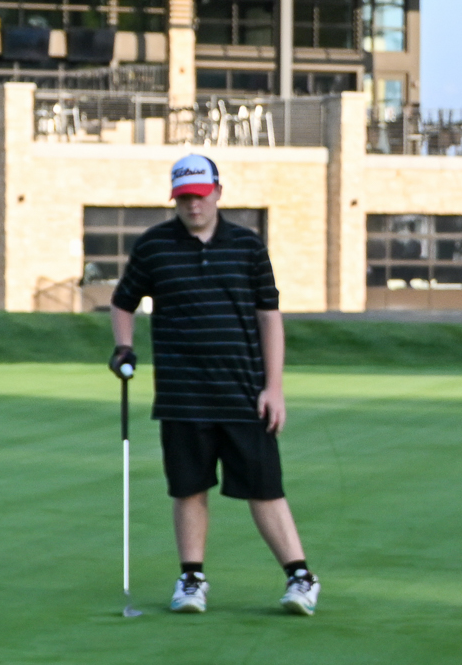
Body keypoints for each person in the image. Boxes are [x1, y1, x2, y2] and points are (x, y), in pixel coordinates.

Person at [109, 153, 320, 616]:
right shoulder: (154, 246)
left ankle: (301, 577)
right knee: (188, 488)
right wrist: (124, 347)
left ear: (218, 193)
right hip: (182, 395)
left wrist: (274, 387)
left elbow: (269, 317)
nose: (193, 205)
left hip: (244, 392)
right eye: (184, 197)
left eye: (201, 196)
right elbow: (123, 302)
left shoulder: (247, 246)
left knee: (265, 488)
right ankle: (191, 579)